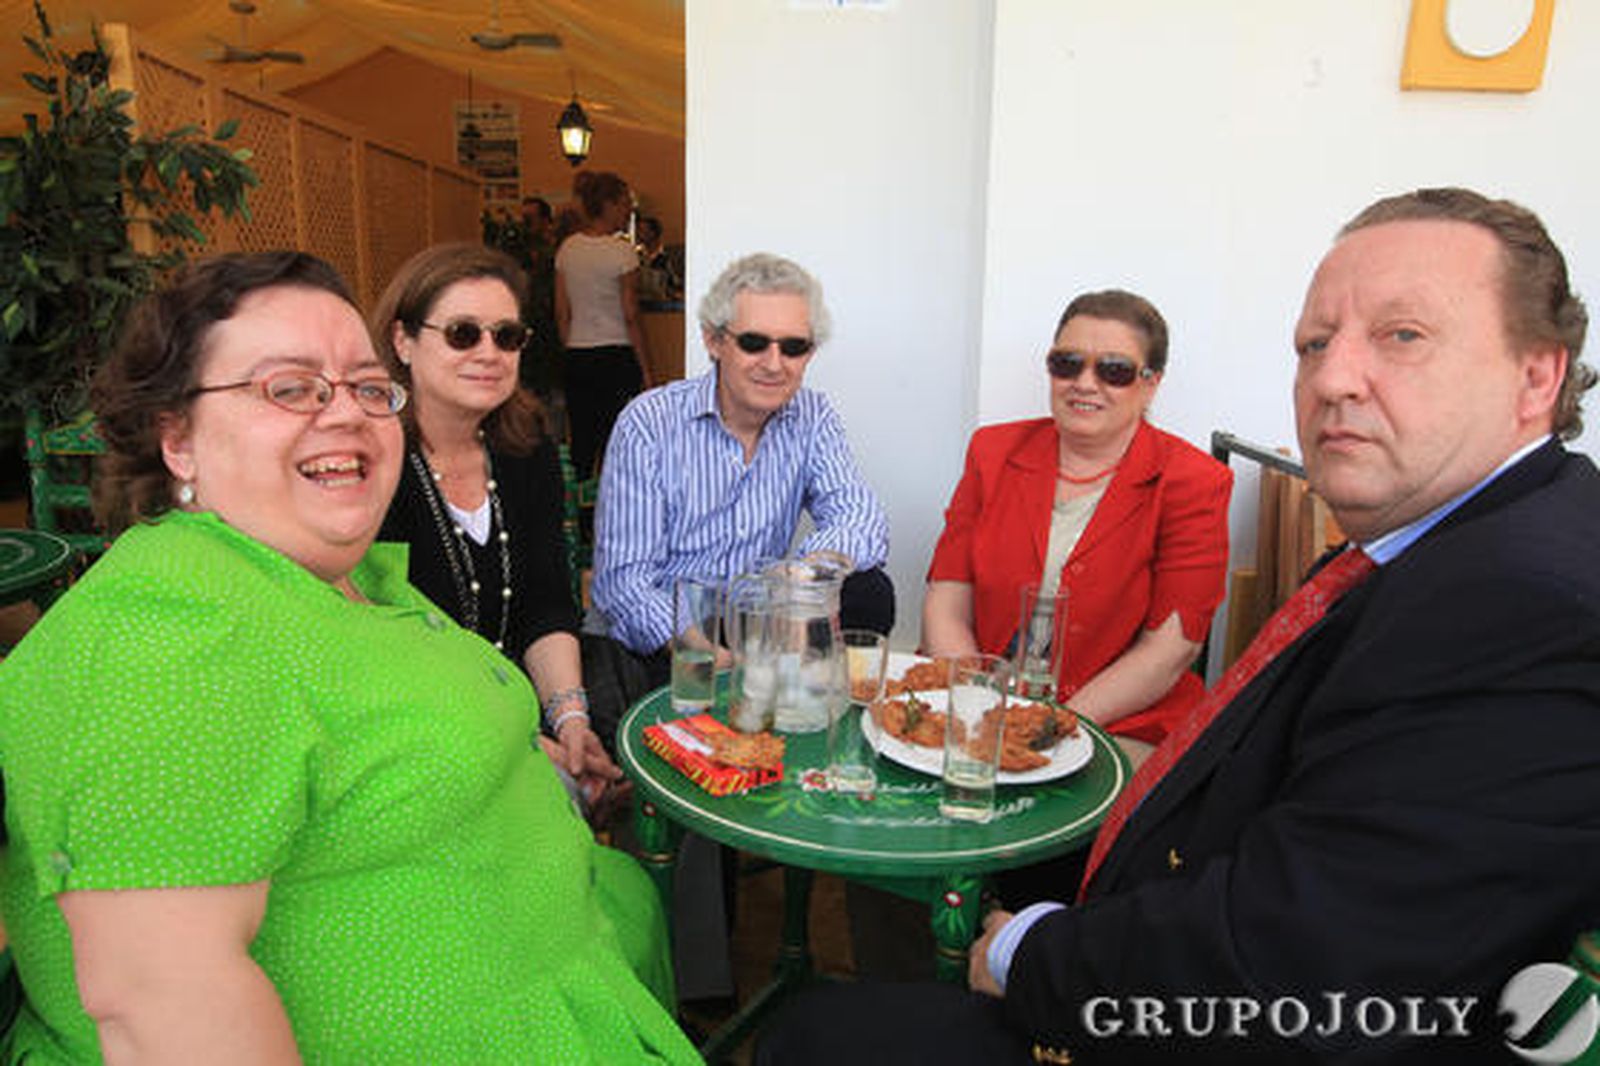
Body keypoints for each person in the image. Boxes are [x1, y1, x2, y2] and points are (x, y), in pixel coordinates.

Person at [758, 188, 1600, 1064]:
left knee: (814, 1037)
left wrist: (1038, 751)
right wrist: (978, 702)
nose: (1334, 376)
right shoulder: (1437, 548)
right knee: (893, 812)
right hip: (1064, 800)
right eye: (1315, 343)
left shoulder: (1522, 603)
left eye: (1403, 335)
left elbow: (1173, 649)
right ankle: (916, 965)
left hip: (1121, 773)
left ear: (1538, 375)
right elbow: (949, 584)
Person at [0, 251, 698, 1063]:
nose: (347, 415)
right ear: (178, 440)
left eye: (366, 390)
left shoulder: (338, 570)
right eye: (288, 388)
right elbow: (160, 1001)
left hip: (553, 965)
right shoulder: (173, 630)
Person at [923, 290, 1232, 761]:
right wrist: (978, 705)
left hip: (1122, 718)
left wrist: (1049, 725)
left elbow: (1169, 652)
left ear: (1151, 384)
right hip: (983, 700)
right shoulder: (993, 452)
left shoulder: (1193, 482)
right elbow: (946, 604)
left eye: (1114, 371)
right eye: (1067, 364)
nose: (1084, 383)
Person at [372, 243, 621, 797]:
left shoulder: (525, 448)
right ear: (402, 340)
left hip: (519, 703)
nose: (490, 351)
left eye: (507, 336)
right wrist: (529, 745)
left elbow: (547, 600)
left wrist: (570, 722)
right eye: (463, 333)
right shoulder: (370, 461)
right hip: (416, 727)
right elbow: (388, 650)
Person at [587, 251, 894, 700]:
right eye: (754, 343)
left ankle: (821, 729)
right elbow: (623, 583)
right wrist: (704, 652)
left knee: (869, 589)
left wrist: (807, 578)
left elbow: (860, 518)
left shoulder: (812, 416)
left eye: (794, 347)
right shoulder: (649, 422)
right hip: (664, 638)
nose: (775, 364)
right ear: (713, 341)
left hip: (756, 625)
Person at [555, 170, 654, 478]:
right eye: (625, 203)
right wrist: (647, 371)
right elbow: (630, 314)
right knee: (619, 441)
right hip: (616, 355)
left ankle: (581, 520)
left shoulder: (568, 249)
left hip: (578, 355)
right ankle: (615, 515)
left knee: (582, 442)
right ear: (609, 205)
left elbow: (562, 311)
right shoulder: (622, 250)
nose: (629, 211)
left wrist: (570, 350)